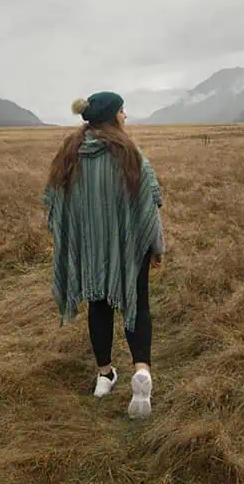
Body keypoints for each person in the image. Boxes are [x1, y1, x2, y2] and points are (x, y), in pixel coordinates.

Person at [43, 91, 166, 418]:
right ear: (112, 116)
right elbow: (150, 203)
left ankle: (104, 375)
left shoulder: (70, 155)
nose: (126, 117)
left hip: (91, 246)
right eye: (123, 111)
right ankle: (142, 369)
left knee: (98, 304)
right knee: (137, 301)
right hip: (129, 247)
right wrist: (156, 245)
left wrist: (73, 239)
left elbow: (56, 200)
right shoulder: (129, 153)